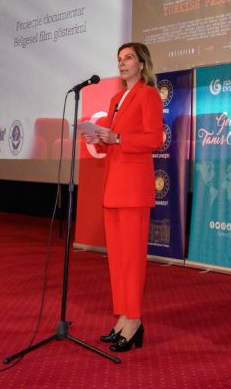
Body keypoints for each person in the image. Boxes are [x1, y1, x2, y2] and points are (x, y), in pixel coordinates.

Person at [83, 42, 163, 353]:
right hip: (113, 187)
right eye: (119, 58)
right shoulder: (116, 99)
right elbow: (109, 143)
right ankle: (122, 316)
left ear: (141, 64)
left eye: (129, 57)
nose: (122, 62)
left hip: (134, 189)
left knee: (132, 259)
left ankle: (134, 320)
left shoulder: (148, 94)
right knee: (116, 260)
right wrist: (97, 138)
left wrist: (118, 137)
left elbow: (154, 139)